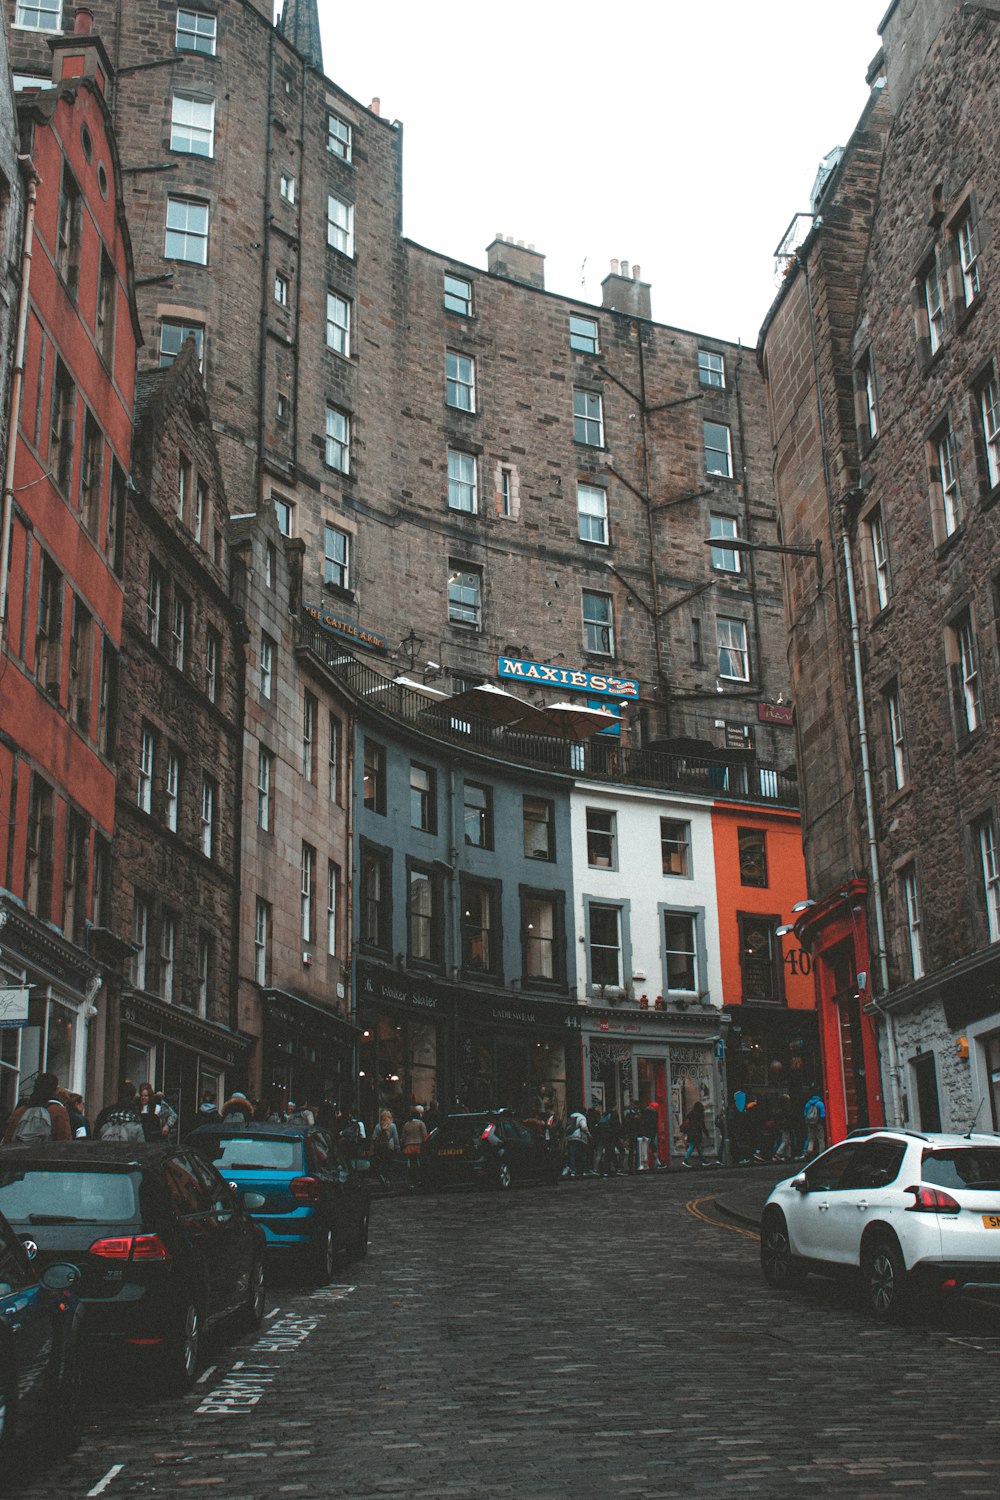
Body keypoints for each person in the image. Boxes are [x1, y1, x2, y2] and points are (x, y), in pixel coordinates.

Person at [2, 1072, 72, 1143]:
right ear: (54, 1090)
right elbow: (65, 1140)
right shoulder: (58, 1111)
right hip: (46, 1153)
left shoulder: (20, 1111)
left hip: (19, 1153)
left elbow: (7, 1139)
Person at [370, 1108, 400, 1184]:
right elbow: (396, 1138)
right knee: (389, 1163)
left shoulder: (378, 1126)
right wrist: (397, 1147)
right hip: (389, 1147)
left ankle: (382, 1176)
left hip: (379, 1147)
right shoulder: (392, 1126)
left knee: (382, 1162)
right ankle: (388, 1179)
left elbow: (373, 1137)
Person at [400, 1107, 428, 1185]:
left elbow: (403, 1136)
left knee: (411, 1163)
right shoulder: (420, 1123)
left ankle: (412, 1179)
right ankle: (419, 1178)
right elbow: (424, 1135)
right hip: (418, 1145)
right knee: (418, 1163)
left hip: (409, 1146)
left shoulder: (406, 1124)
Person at [681, 1099, 707, 1167]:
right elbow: (702, 1125)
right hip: (696, 1133)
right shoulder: (699, 1114)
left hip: (691, 1133)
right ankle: (686, 1160)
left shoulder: (690, 1113)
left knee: (696, 1147)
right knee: (694, 1146)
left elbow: (686, 1122)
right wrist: (706, 1133)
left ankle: (703, 1160)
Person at [564, 1109, 589, 1178]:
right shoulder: (582, 1117)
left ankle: (573, 1170)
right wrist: (589, 1134)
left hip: (570, 1137)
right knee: (581, 1154)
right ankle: (581, 1170)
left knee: (572, 1155)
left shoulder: (571, 1117)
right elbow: (584, 1127)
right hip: (579, 1138)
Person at [802, 1090, 827, 1159]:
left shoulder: (808, 1104)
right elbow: (823, 1115)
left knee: (811, 1139)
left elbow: (805, 1114)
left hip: (810, 1124)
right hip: (818, 1123)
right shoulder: (820, 1104)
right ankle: (821, 1154)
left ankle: (809, 1152)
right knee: (821, 1139)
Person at [623, 1102, 642, 1173]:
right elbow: (627, 1125)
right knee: (631, 1150)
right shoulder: (629, 1115)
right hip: (632, 1134)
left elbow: (641, 1125)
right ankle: (630, 1166)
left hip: (638, 1134)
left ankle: (637, 1165)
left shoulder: (639, 1115)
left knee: (637, 1151)